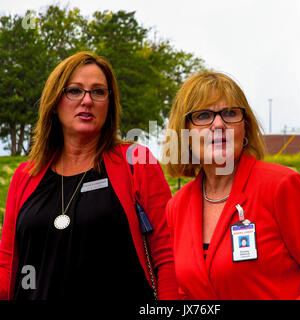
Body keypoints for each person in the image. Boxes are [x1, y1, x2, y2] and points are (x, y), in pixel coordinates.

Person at [0, 51, 178, 300]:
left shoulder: (136, 161)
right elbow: (7, 266)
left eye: (98, 92)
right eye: (74, 90)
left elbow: (167, 256)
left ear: (109, 103)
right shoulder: (25, 176)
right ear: (54, 102)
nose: (87, 100)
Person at [164, 71, 300, 299]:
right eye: (203, 115)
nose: (219, 124)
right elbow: (184, 293)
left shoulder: (282, 185)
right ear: (184, 134)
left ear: (244, 128)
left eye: (230, 113)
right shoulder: (177, 206)